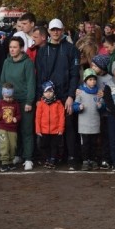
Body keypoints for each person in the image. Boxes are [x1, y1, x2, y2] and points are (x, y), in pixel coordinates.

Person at [35, 18, 80, 169]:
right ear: (48, 31)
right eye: (53, 29)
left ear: (62, 30)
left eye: (58, 29)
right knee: (49, 129)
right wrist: (40, 96)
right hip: (48, 97)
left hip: (65, 95)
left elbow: (75, 74)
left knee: (68, 127)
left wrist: (70, 96)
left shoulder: (71, 49)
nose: (55, 32)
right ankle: (51, 157)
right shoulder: (42, 50)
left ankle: (71, 157)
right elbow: (39, 75)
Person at [0, 35, 36, 170]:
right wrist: (4, 99)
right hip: (10, 102)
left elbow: (31, 83)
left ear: (21, 48)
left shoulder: (28, 63)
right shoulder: (6, 62)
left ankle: (28, 158)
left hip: (24, 101)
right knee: (12, 130)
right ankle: (17, 155)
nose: (12, 50)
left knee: (26, 130)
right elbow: (2, 80)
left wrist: (29, 101)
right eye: (10, 47)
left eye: (15, 47)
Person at [74, 68, 103, 171]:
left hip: (95, 123)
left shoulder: (98, 93)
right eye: (90, 79)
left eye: (94, 79)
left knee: (94, 143)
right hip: (84, 125)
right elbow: (75, 105)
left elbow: (102, 107)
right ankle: (85, 161)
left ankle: (94, 160)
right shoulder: (80, 92)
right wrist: (78, 107)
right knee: (85, 144)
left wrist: (100, 106)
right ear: (85, 80)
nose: (93, 81)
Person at [35, 81, 65, 168]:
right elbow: (37, 118)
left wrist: (60, 129)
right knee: (44, 145)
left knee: (54, 146)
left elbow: (61, 117)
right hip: (44, 131)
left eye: (50, 91)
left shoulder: (58, 104)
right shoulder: (40, 104)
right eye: (46, 91)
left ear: (53, 92)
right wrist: (38, 129)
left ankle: (52, 159)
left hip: (55, 131)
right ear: (43, 93)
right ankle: (47, 159)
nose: (48, 94)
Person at [0, 83, 21, 172]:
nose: (8, 99)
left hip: (12, 129)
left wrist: (16, 119)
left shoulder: (16, 104)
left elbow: (19, 115)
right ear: (3, 95)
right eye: (6, 97)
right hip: (2, 128)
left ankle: (10, 161)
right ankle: (4, 162)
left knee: (13, 145)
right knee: (4, 145)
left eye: (10, 97)